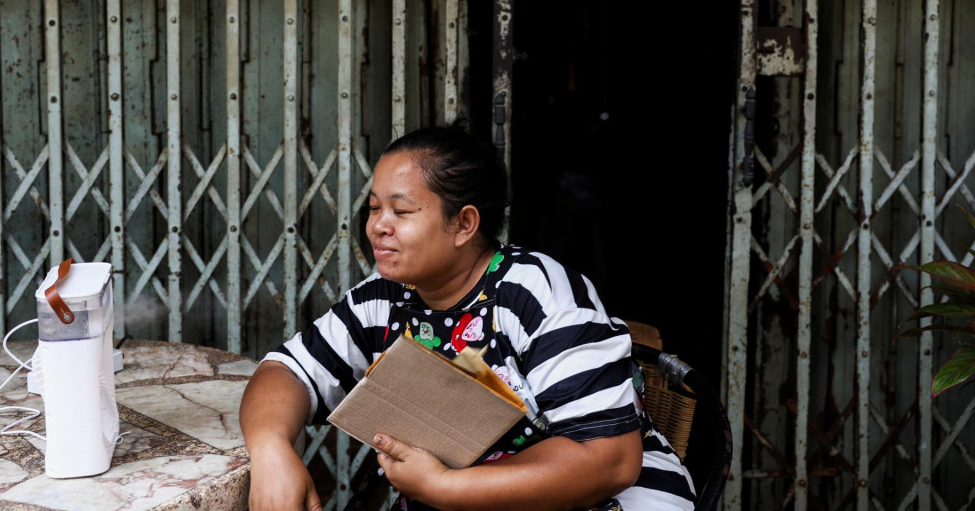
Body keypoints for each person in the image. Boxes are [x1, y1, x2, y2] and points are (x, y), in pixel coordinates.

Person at [239, 119, 696, 511]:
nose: (377, 225)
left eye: (401, 210)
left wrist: (446, 487)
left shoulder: (535, 294)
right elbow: (287, 372)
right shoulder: (382, 299)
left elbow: (609, 459)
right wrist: (271, 448)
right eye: (375, 207)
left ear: (464, 224)